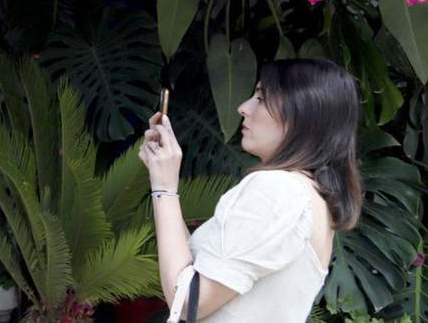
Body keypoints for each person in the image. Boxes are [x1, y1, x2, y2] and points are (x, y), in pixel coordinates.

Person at [139, 59, 362, 322]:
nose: (243, 108)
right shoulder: (310, 197)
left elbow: (188, 300)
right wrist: (165, 183)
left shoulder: (279, 190)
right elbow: (199, 272)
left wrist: (164, 188)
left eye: (261, 97)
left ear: (303, 113)